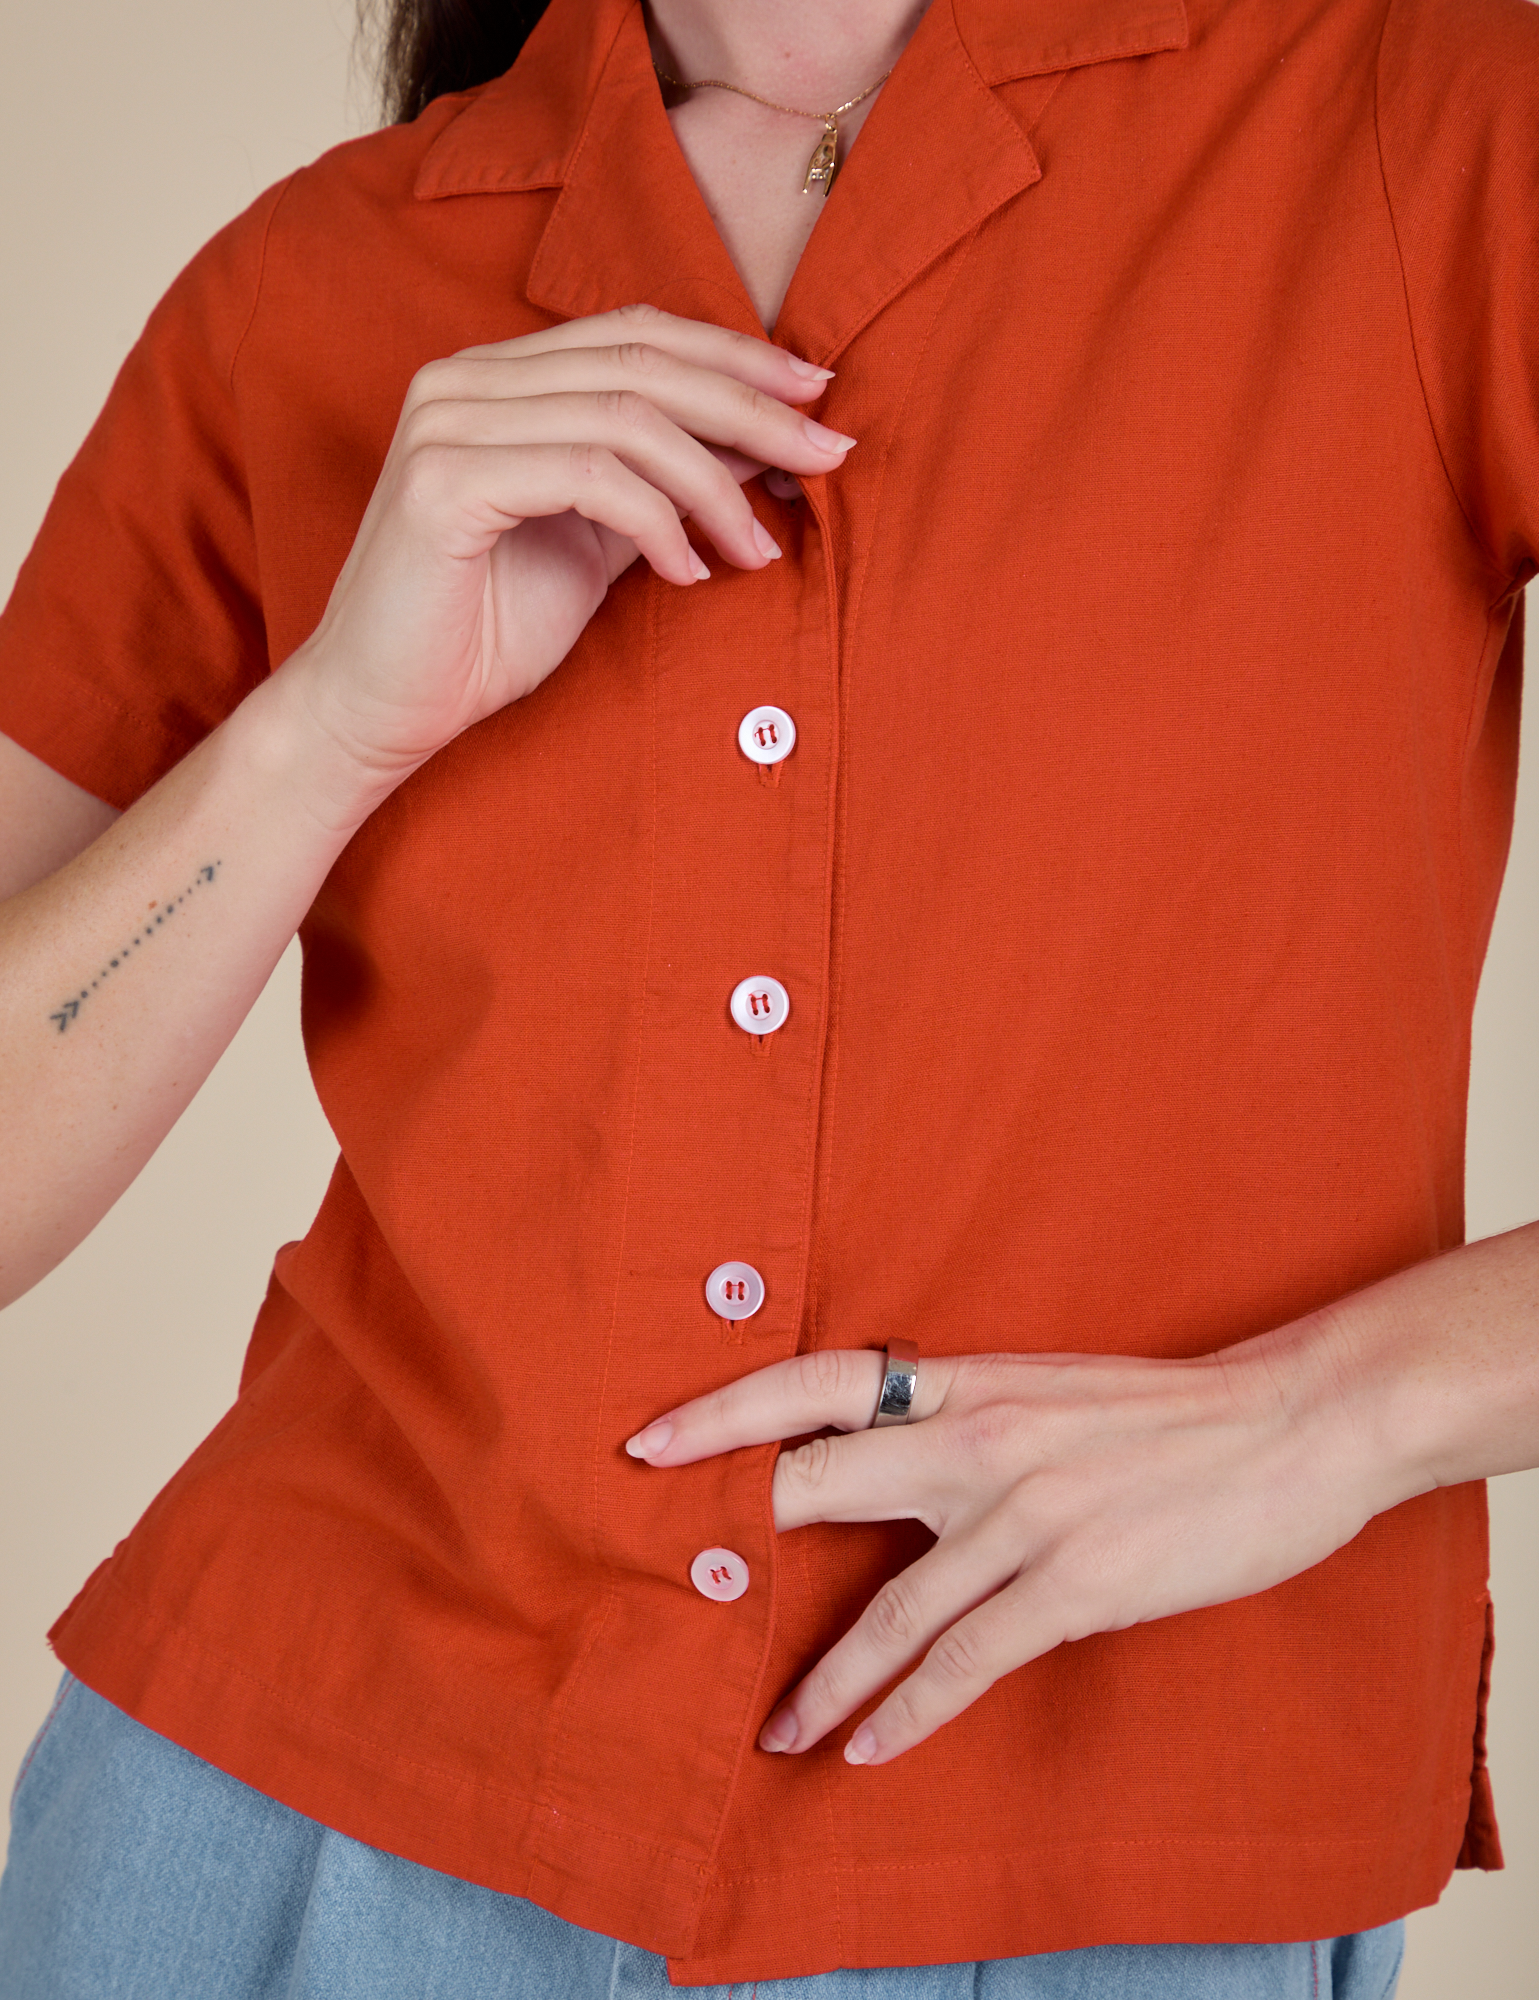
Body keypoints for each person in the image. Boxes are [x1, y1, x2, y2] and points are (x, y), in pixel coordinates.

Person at [0, 0, 1536, 1992]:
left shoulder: (1420, 116)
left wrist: (1336, 1414)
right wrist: (325, 732)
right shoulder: (314, 280)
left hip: (1107, 1872)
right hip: (273, 1821)